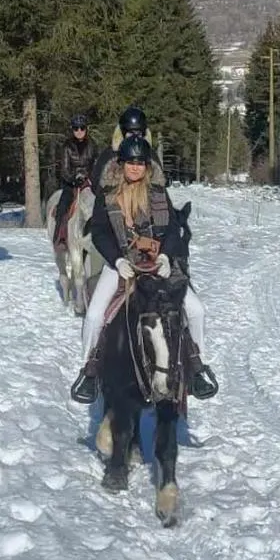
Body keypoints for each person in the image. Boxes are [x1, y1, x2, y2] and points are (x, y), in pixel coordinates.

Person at [71, 134, 217, 404]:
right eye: (131, 162)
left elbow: (172, 228)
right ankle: (89, 370)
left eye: (140, 163)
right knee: (94, 315)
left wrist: (166, 256)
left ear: (147, 166)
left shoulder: (158, 192)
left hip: (157, 261)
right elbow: (100, 232)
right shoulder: (108, 193)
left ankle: (198, 366)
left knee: (196, 310)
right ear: (122, 163)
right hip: (122, 263)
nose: (135, 168)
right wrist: (117, 260)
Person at [90, 103, 163, 195]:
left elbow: (161, 187)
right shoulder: (109, 154)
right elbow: (96, 185)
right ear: (123, 134)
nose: (134, 137)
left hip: (145, 198)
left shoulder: (151, 155)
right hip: (115, 199)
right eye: (130, 133)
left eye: (138, 134)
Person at [51, 114, 98, 249]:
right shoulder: (67, 146)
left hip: (89, 182)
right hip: (71, 183)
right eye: (76, 128)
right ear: (72, 129)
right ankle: (60, 237)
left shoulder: (92, 145)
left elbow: (96, 164)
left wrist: (90, 178)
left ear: (86, 129)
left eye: (82, 128)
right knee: (63, 206)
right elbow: (64, 169)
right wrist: (73, 179)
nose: (79, 131)